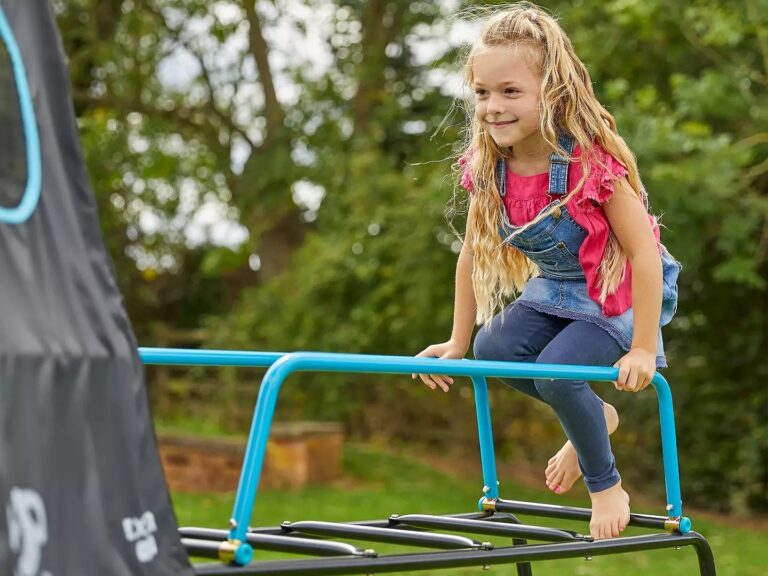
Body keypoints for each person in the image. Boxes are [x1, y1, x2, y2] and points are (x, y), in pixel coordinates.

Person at [412, 2, 682, 541]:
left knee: (557, 372)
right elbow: (470, 253)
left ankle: (606, 484)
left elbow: (644, 256)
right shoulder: (491, 169)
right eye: (483, 92)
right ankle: (594, 414)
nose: (492, 106)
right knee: (494, 353)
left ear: (551, 92)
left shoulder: (589, 164)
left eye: (510, 92)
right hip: (558, 287)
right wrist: (457, 340)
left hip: (619, 290)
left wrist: (644, 348)